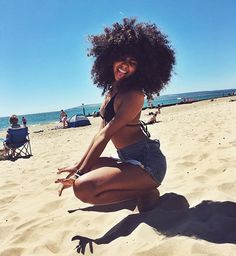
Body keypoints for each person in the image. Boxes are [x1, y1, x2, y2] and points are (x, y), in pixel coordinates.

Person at [55, 18, 175, 212]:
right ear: (110, 58)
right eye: (122, 58)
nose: (125, 66)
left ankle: (146, 190)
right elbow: (98, 135)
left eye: (133, 62)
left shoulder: (134, 95)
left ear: (142, 69)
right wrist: (78, 166)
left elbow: (106, 135)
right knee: (89, 169)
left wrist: (78, 175)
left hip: (148, 164)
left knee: (82, 188)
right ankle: (139, 192)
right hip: (125, 159)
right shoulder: (112, 91)